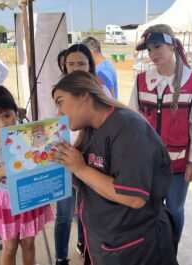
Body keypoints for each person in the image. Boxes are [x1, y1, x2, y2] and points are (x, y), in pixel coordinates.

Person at [51, 70, 178, 265]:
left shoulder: (129, 128)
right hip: (104, 241)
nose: (58, 113)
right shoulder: (91, 131)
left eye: (60, 102)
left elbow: (133, 198)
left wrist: (81, 169)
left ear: (84, 96)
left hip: (134, 247)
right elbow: (89, 184)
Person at [128, 24, 192, 249]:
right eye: (149, 49)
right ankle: (153, 249)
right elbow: (133, 121)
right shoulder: (141, 80)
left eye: (157, 47)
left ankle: (170, 251)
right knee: (148, 208)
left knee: (174, 209)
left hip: (179, 165)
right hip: (148, 164)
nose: (153, 54)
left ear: (172, 45)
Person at [0, 85, 54, 265]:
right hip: (5, 201)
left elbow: (43, 162)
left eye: (7, 116)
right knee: (9, 247)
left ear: (15, 113)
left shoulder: (30, 136)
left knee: (29, 243)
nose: (2, 124)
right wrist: (2, 171)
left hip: (30, 196)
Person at [54, 43, 113, 265]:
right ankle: (61, 256)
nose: (76, 67)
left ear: (90, 65)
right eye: (71, 63)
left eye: (82, 63)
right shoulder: (60, 90)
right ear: (64, 65)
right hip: (64, 158)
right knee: (64, 213)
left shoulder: (100, 90)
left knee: (85, 210)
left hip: (91, 162)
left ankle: (84, 244)